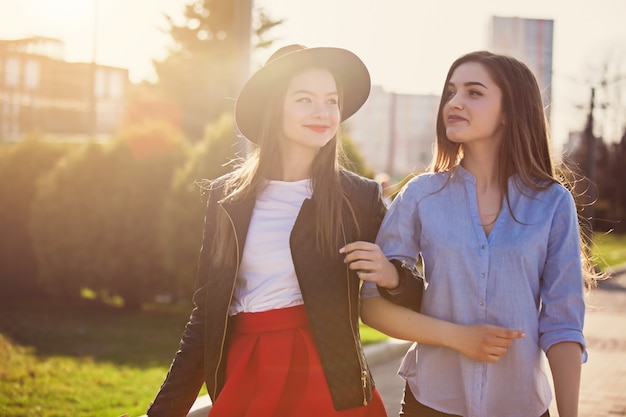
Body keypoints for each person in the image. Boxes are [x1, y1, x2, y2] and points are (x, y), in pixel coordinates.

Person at [343, 51, 597, 417]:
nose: (454, 103)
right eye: (451, 92)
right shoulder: (420, 195)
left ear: (509, 112)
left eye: (473, 93)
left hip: (521, 404)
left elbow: (563, 324)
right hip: (430, 401)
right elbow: (373, 306)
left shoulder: (553, 203)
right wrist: (456, 337)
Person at [145, 44, 390, 417]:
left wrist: (394, 277)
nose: (322, 113)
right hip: (247, 370)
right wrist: (161, 413)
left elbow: (408, 291)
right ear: (275, 108)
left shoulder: (360, 197)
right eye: (304, 99)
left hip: (328, 380)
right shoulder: (227, 197)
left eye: (331, 100)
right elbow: (206, 314)